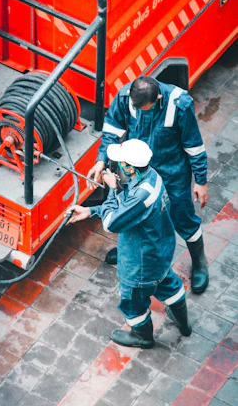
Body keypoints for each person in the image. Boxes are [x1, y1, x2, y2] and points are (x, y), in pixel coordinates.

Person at [87, 76, 209, 294]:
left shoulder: (180, 105)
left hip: (172, 173)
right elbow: (112, 131)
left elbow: (194, 146)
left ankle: (199, 261)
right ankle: (128, 251)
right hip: (137, 172)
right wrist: (101, 160)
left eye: (146, 108)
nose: (141, 112)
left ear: (158, 98)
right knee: (132, 213)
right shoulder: (126, 97)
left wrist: (200, 181)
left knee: (183, 217)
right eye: (138, 108)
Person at [67, 139, 192, 348]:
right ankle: (184, 324)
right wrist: (90, 211)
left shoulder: (140, 197)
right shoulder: (152, 178)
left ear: (129, 167)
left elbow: (112, 223)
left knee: (133, 302)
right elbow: (128, 209)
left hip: (139, 264)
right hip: (160, 253)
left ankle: (142, 337)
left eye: (120, 162)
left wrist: (113, 190)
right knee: (169, 285)